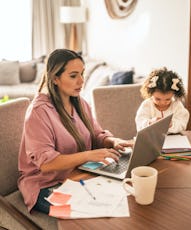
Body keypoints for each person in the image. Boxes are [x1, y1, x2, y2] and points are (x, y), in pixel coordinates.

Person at [18, 49, 133, 215]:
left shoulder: (80, 103)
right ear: (55, 78)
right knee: (88, 213)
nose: (81, 81)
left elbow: (96, 135)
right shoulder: (38, 112)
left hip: (76, 175)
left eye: (82, 74)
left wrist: (113, 141)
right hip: (44, 185)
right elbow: (46, 164)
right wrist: (89, 155)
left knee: (120, 199)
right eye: (73, 76)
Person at [135, 67, 189, 134]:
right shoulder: (147, 105)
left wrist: (172, 124)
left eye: (168, 99)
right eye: (157, 99)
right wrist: (150, 122)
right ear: (151, 93)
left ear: (174, 94)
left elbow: (182, 123)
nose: (163, 103)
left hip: (174, 139)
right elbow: (140, 123)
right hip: (152, 139)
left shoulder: (177, 105)